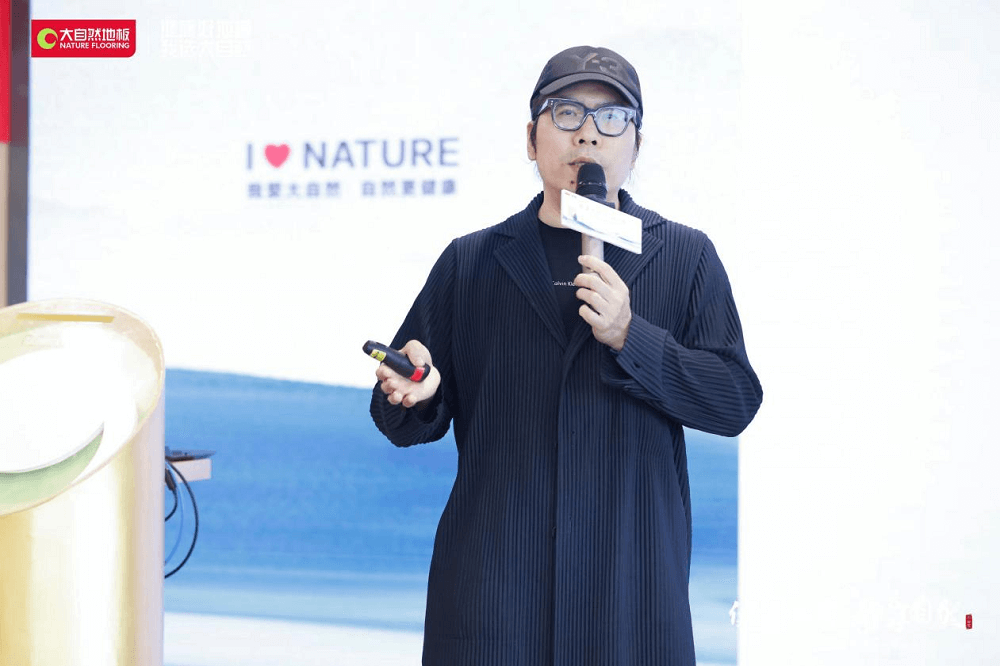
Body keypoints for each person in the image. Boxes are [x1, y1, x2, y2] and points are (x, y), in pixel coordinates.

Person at [370, 45, 762, 666]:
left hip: (628, 592)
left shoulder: (685, 256)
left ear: (636, 146)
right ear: (531, 140)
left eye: (612, 118)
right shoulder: (471, 261)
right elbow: (401, 416)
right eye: (566, 113)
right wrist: (414, 391)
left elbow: (734, 400)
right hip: (496, 591)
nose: (588, 133)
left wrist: (631, 336)